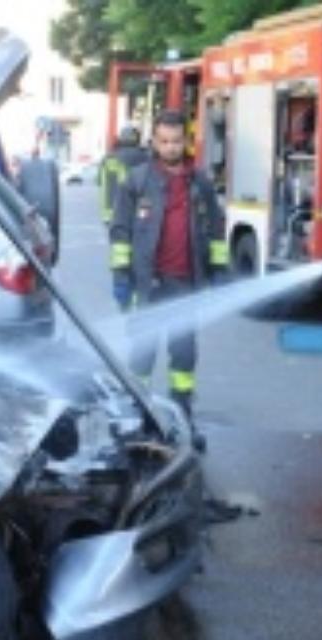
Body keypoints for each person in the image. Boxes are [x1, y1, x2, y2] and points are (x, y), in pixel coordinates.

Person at [109, 110, 228, 452]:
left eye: (176, 141)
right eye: (164, 141)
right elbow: (120, 231)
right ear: (154, 142)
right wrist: (121, 276)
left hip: (186, 283)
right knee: (142, 355)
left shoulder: (200, 182)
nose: (171, 147)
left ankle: (181, 418)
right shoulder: (137, 180)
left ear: (185, 141)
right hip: (148, 283)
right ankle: (138, 420)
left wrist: (219, 270)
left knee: (184, 357)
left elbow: (216, 228)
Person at [99, 125, 149, 225]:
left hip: (110, 214)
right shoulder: (142, 157)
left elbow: (99, 181)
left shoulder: (107, 158)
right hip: (135, 214)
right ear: (137, 139)